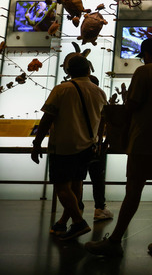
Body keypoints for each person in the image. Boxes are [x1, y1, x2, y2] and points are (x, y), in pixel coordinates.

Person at [85, 39, 152, 256]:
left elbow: (132, 105)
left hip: (145, 140)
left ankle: (114, 241)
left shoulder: (144, 72)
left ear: (147, 54)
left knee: (133, 189)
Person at [31, 55, 107, 240]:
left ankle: (79, 222)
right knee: (76, 184)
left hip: (63, 146)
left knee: (62, 187)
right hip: (87, 146)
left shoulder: (62, 89)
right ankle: (66, 222)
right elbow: (103, 120)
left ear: (68, 71)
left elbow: (47, 118)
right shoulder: (99, 92)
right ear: (89, 70)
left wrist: (37, 142)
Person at [87, 74, 114, 221]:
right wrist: (104, 142)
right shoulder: (99, 95)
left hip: (78, 144)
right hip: (95, 144)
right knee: (97, 177)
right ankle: (99, 207)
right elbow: (105, 120)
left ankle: (76, 207)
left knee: (76, 178)